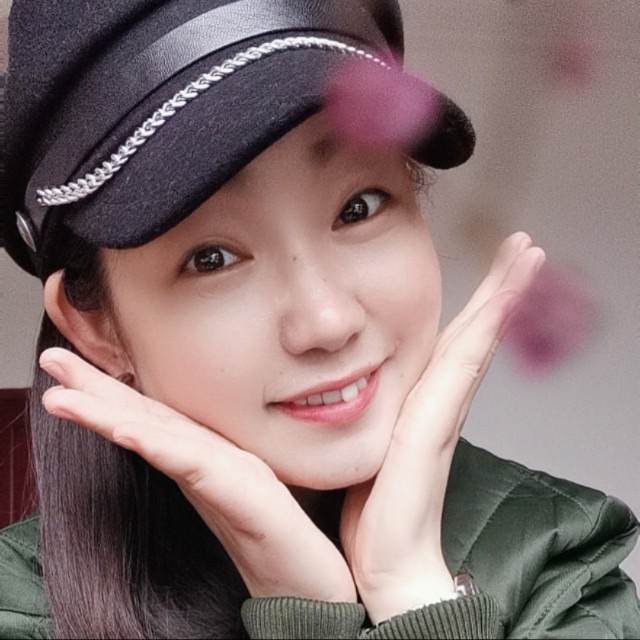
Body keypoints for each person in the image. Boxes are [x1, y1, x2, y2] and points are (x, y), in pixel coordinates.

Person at [1, 1, 638, 638]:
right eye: (212, 258)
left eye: (359, 207)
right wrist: (302, 610)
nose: (327, 322)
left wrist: (410, 589)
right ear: (98, 330)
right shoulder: (18, 607)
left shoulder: (565, 569)